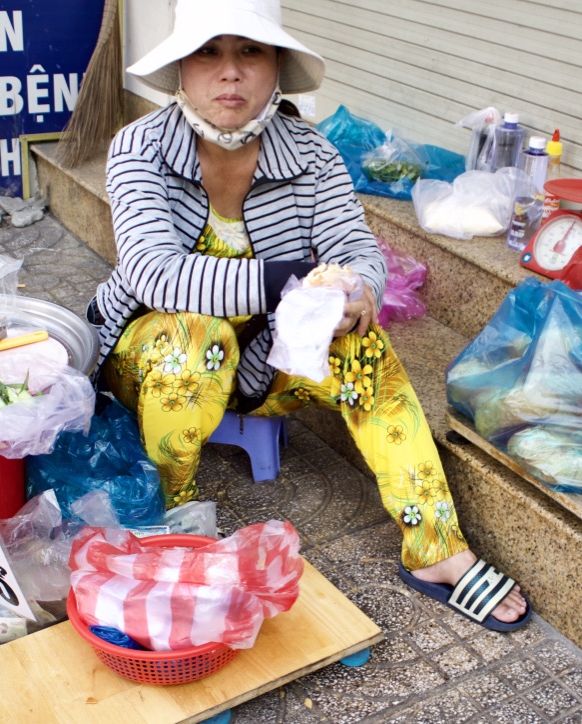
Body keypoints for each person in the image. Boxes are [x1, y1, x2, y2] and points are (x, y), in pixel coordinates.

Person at [88, 0, 530, 631]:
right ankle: (168, 523)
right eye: (208, 52)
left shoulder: (312, 156)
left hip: (266, 368)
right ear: (181, 70)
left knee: (363, 346)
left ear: (275, 68)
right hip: (154, 359)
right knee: (197, 334)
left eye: (250, 52)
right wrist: (292, 284)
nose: (230, 73)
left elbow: (357, 249)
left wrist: (358, 293)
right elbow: (154, 274)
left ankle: (436, 549)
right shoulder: (139, 149)